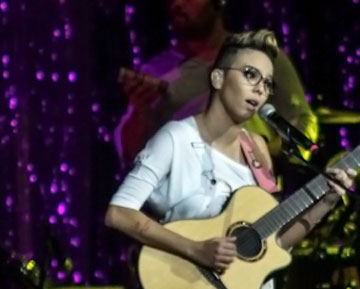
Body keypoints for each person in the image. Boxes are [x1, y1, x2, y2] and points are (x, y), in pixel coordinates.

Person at [105, 30, 354, 289]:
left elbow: (271, 243)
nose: (260, 89)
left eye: (267, 83)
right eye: (250, 75)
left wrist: (323, 203)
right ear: (218, 78)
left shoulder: (257, 148)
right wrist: (195, 248)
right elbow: (119, 213)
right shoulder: (175, 140)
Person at [115, 0, 318, 167]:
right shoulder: (155, 71)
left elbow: (301, 118)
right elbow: (133, 159)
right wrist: (139, 111)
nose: (177, 4)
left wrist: (271, 154)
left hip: (254, 197)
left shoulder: (259, 54)